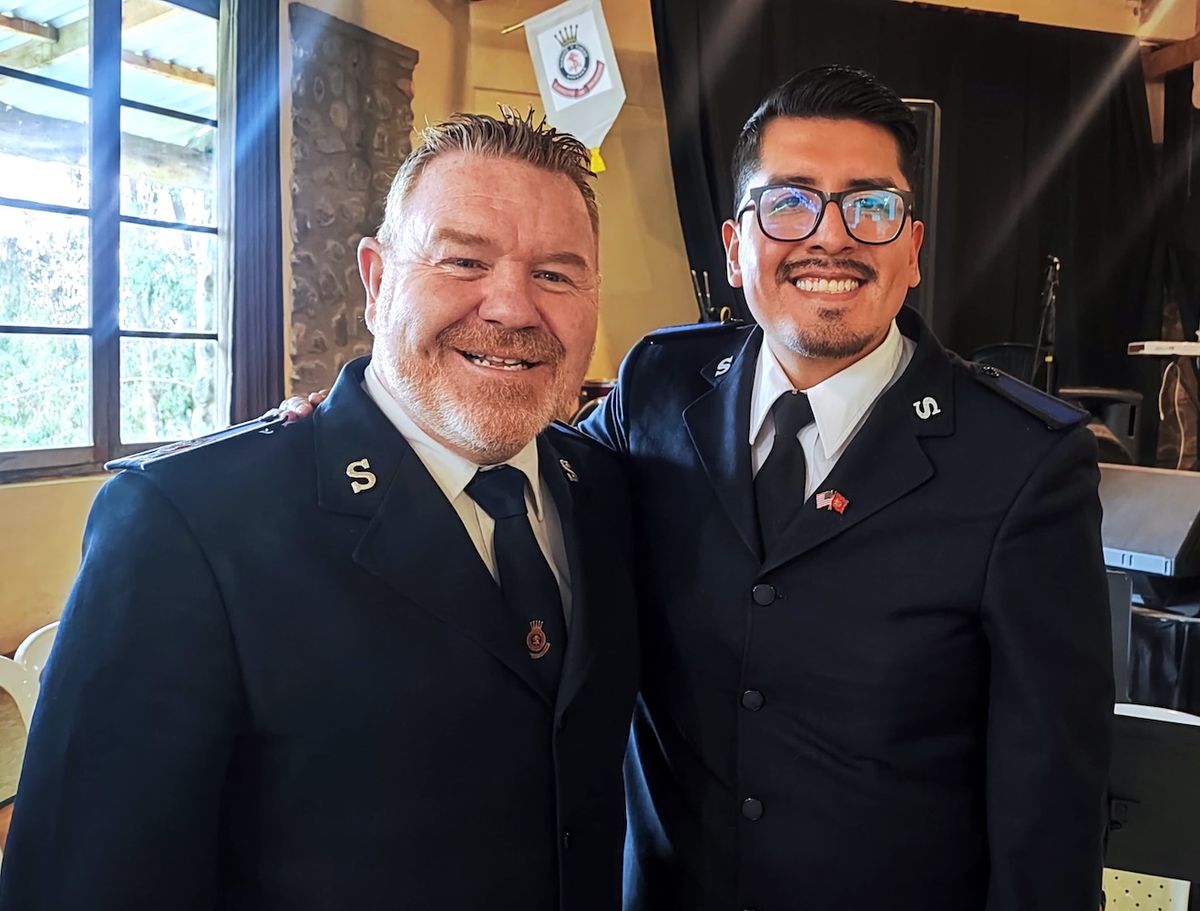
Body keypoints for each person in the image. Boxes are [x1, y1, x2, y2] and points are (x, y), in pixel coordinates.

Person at [0, 109, 638, 911]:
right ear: (376, 281)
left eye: (555, 275)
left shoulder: (608, 490)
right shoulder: (188, 525)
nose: (511, 307)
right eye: (463, 260)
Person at [576, 66, 1113, 911]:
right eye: (790, 202)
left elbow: (1051, 804)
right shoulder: (656, 390)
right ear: (735, 246)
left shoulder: (1023, 463)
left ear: (912, 247)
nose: (831, 237)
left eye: (871, 204)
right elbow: (529, 478)